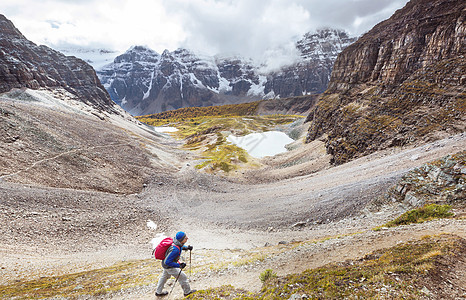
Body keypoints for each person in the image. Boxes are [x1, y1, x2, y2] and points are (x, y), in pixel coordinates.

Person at [156, 231, 196, 297]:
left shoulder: (175, 242)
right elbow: (167, 262)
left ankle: (158, 292)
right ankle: (187, 292)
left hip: (165, 265)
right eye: (185, 238)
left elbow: (180, 246)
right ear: (181, 240)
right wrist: (179, 265)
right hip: (169, 266)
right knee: (183, 277)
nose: (187, 238)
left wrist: (187, 248)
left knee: (164, 277)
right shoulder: (175, 250)